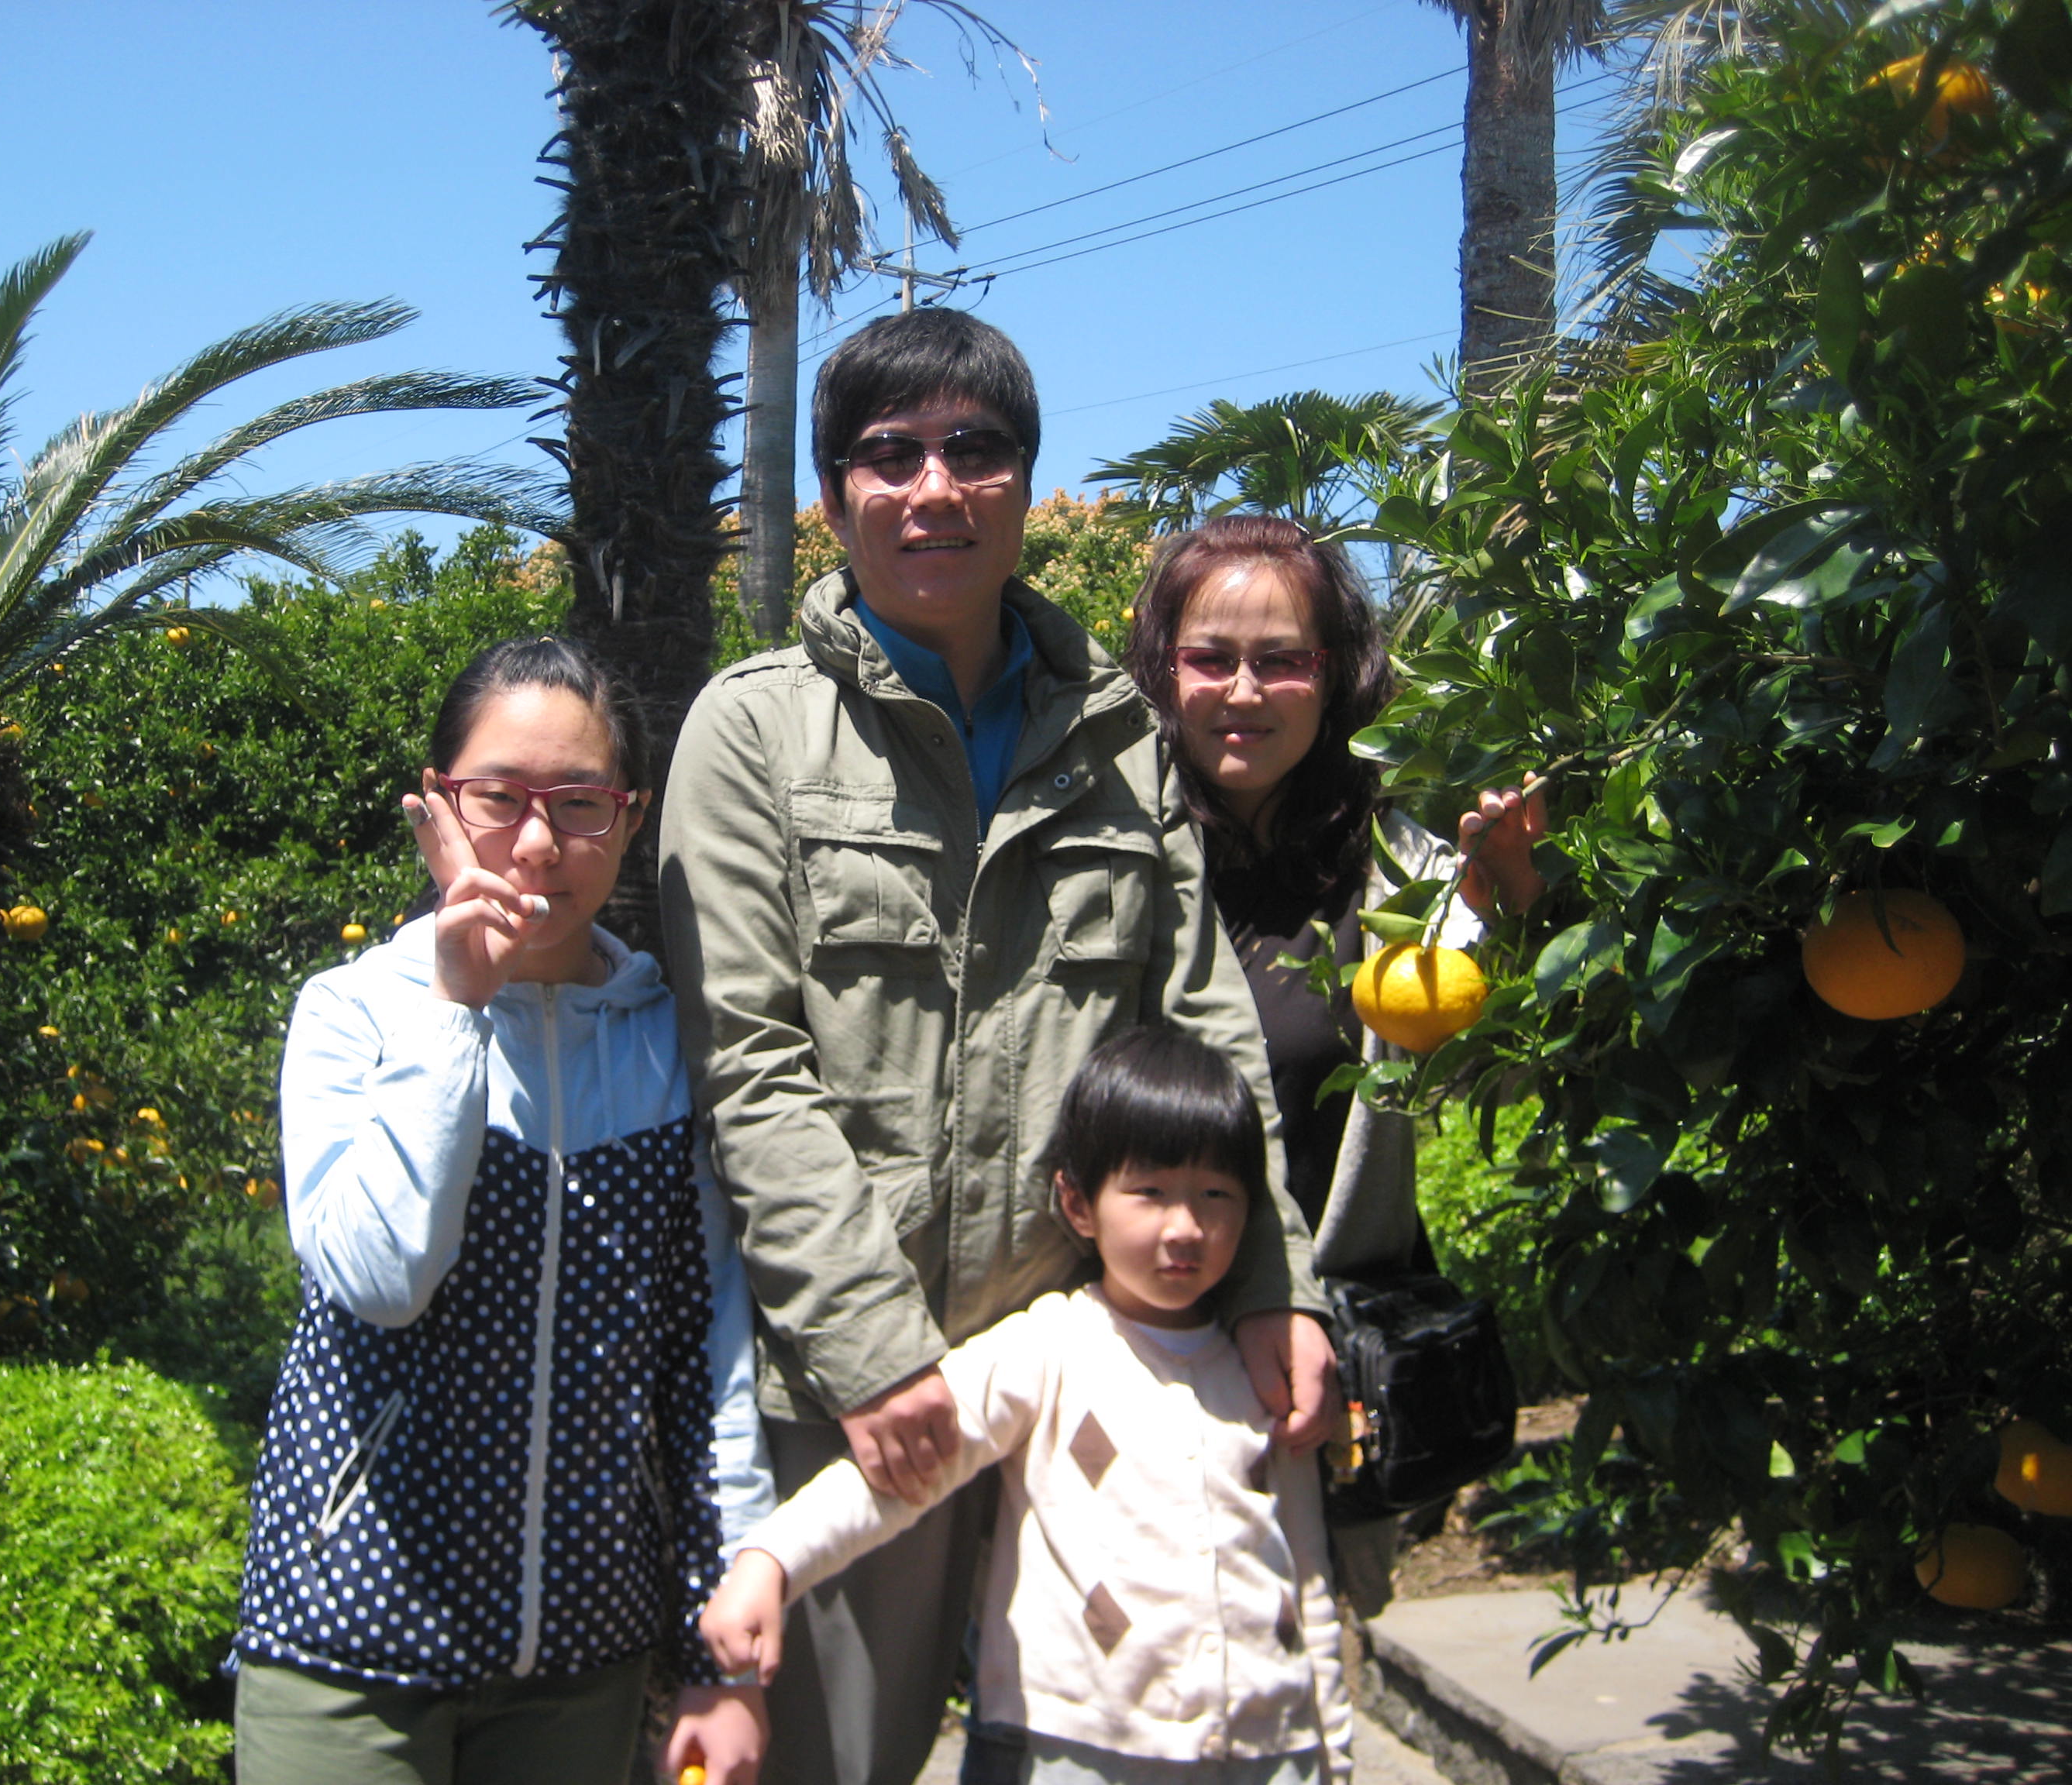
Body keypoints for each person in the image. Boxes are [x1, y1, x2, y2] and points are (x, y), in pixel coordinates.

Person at [658, 309, 1337, 1785]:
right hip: (855, 1392)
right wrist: (873, 1350)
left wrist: (1273, 1284)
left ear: (1025, 480)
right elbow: (747, 1065)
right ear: (832, 491)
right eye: (888, 454)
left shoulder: (1119, 735)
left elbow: (1205, 1030)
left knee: (1124, 1742)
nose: (934, 488)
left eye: (974, 449)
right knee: (838, 1764)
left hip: (1092, 1367)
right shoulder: (753, 734)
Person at [230, 638, 773, 1785]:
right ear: (436, 806)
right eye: (498, 798)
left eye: (579, 804)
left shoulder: (666, 1040)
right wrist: (454, 1010)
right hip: (349, 1639)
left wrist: (719, 1652)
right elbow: (381, 1279)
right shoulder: (352, 1016)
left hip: (581, 1653)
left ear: (630, 818)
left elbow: (706, 1362)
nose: (536, 844)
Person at [701, 1028, 1355, 1785]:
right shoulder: (1048, 1350)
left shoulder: (1262, 1375)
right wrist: (771, 1561)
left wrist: (1332, 1755)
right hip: (1069, 1750)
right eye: (1150, 1192)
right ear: (1078, 1203)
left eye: (1216, 1196)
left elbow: (1308, 1578)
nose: (1185, 1227)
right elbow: (902, 1473)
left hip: (1270, 1751)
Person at [1120, 514, 1545, 1619]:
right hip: (1137, 1367)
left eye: (1282, 661)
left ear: (1337, 674)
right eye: (1210, 658)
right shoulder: (1109, 854)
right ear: (1164, 672)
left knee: (1304, 1676)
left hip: (1329, 1372)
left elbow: (1505, 1076)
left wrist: (1515, 903)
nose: (1243, 692)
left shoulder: (1401, 870)